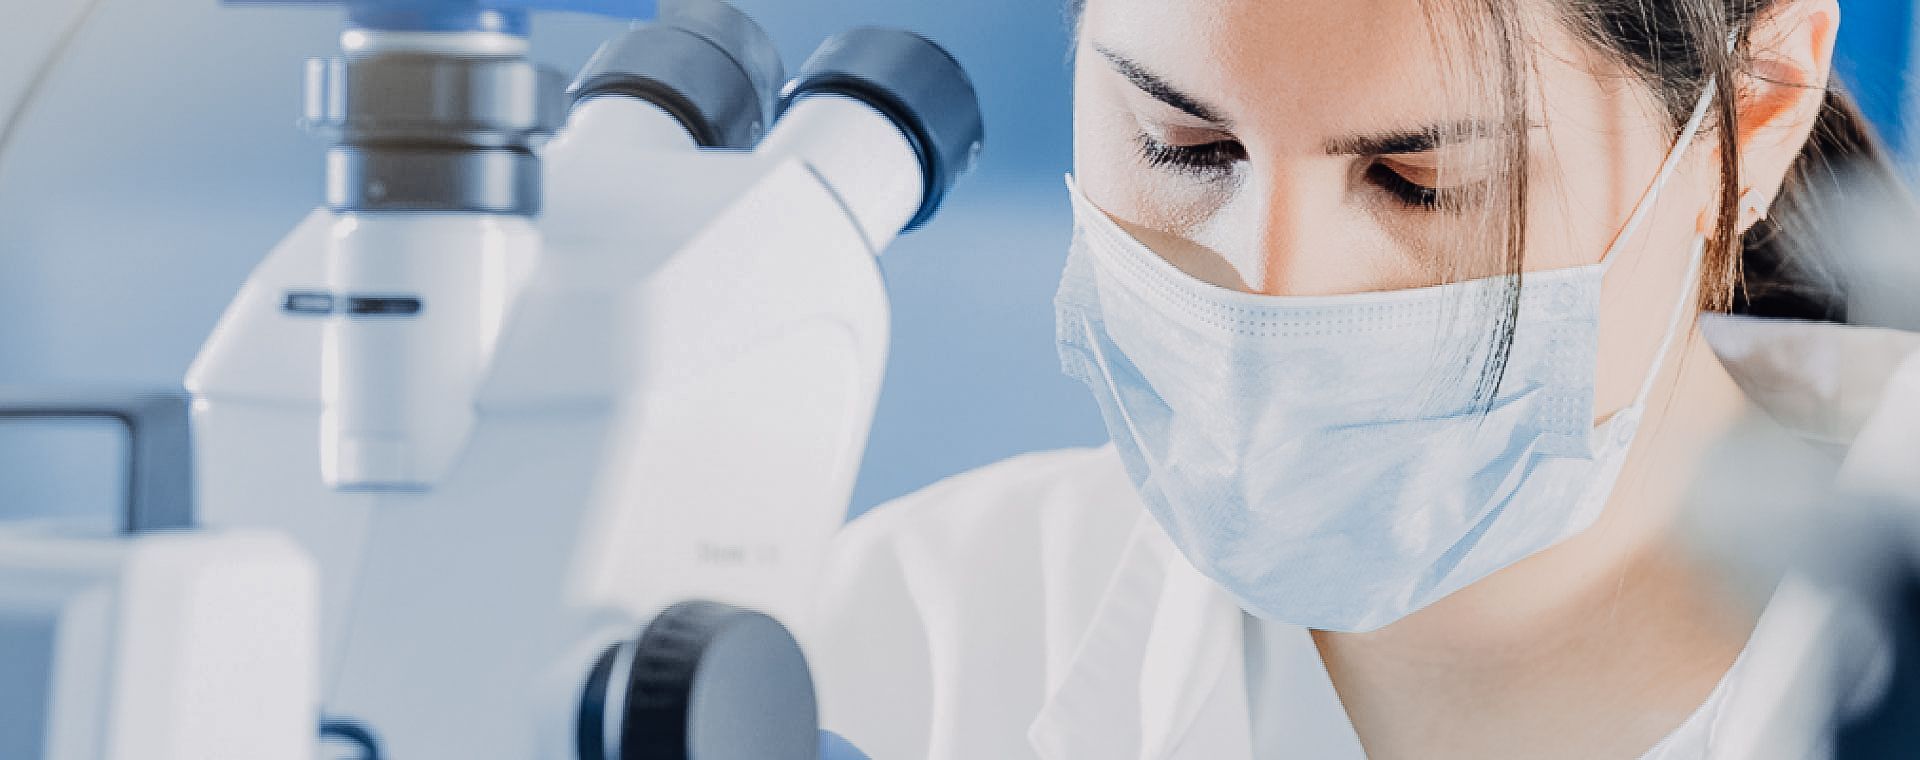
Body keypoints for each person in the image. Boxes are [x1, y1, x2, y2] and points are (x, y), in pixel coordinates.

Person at [804, 0, 1920, 757]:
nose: (1269, 298)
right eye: (1183, 146)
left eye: (1418, 181)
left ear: (1760, 104)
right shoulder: (888, 640)